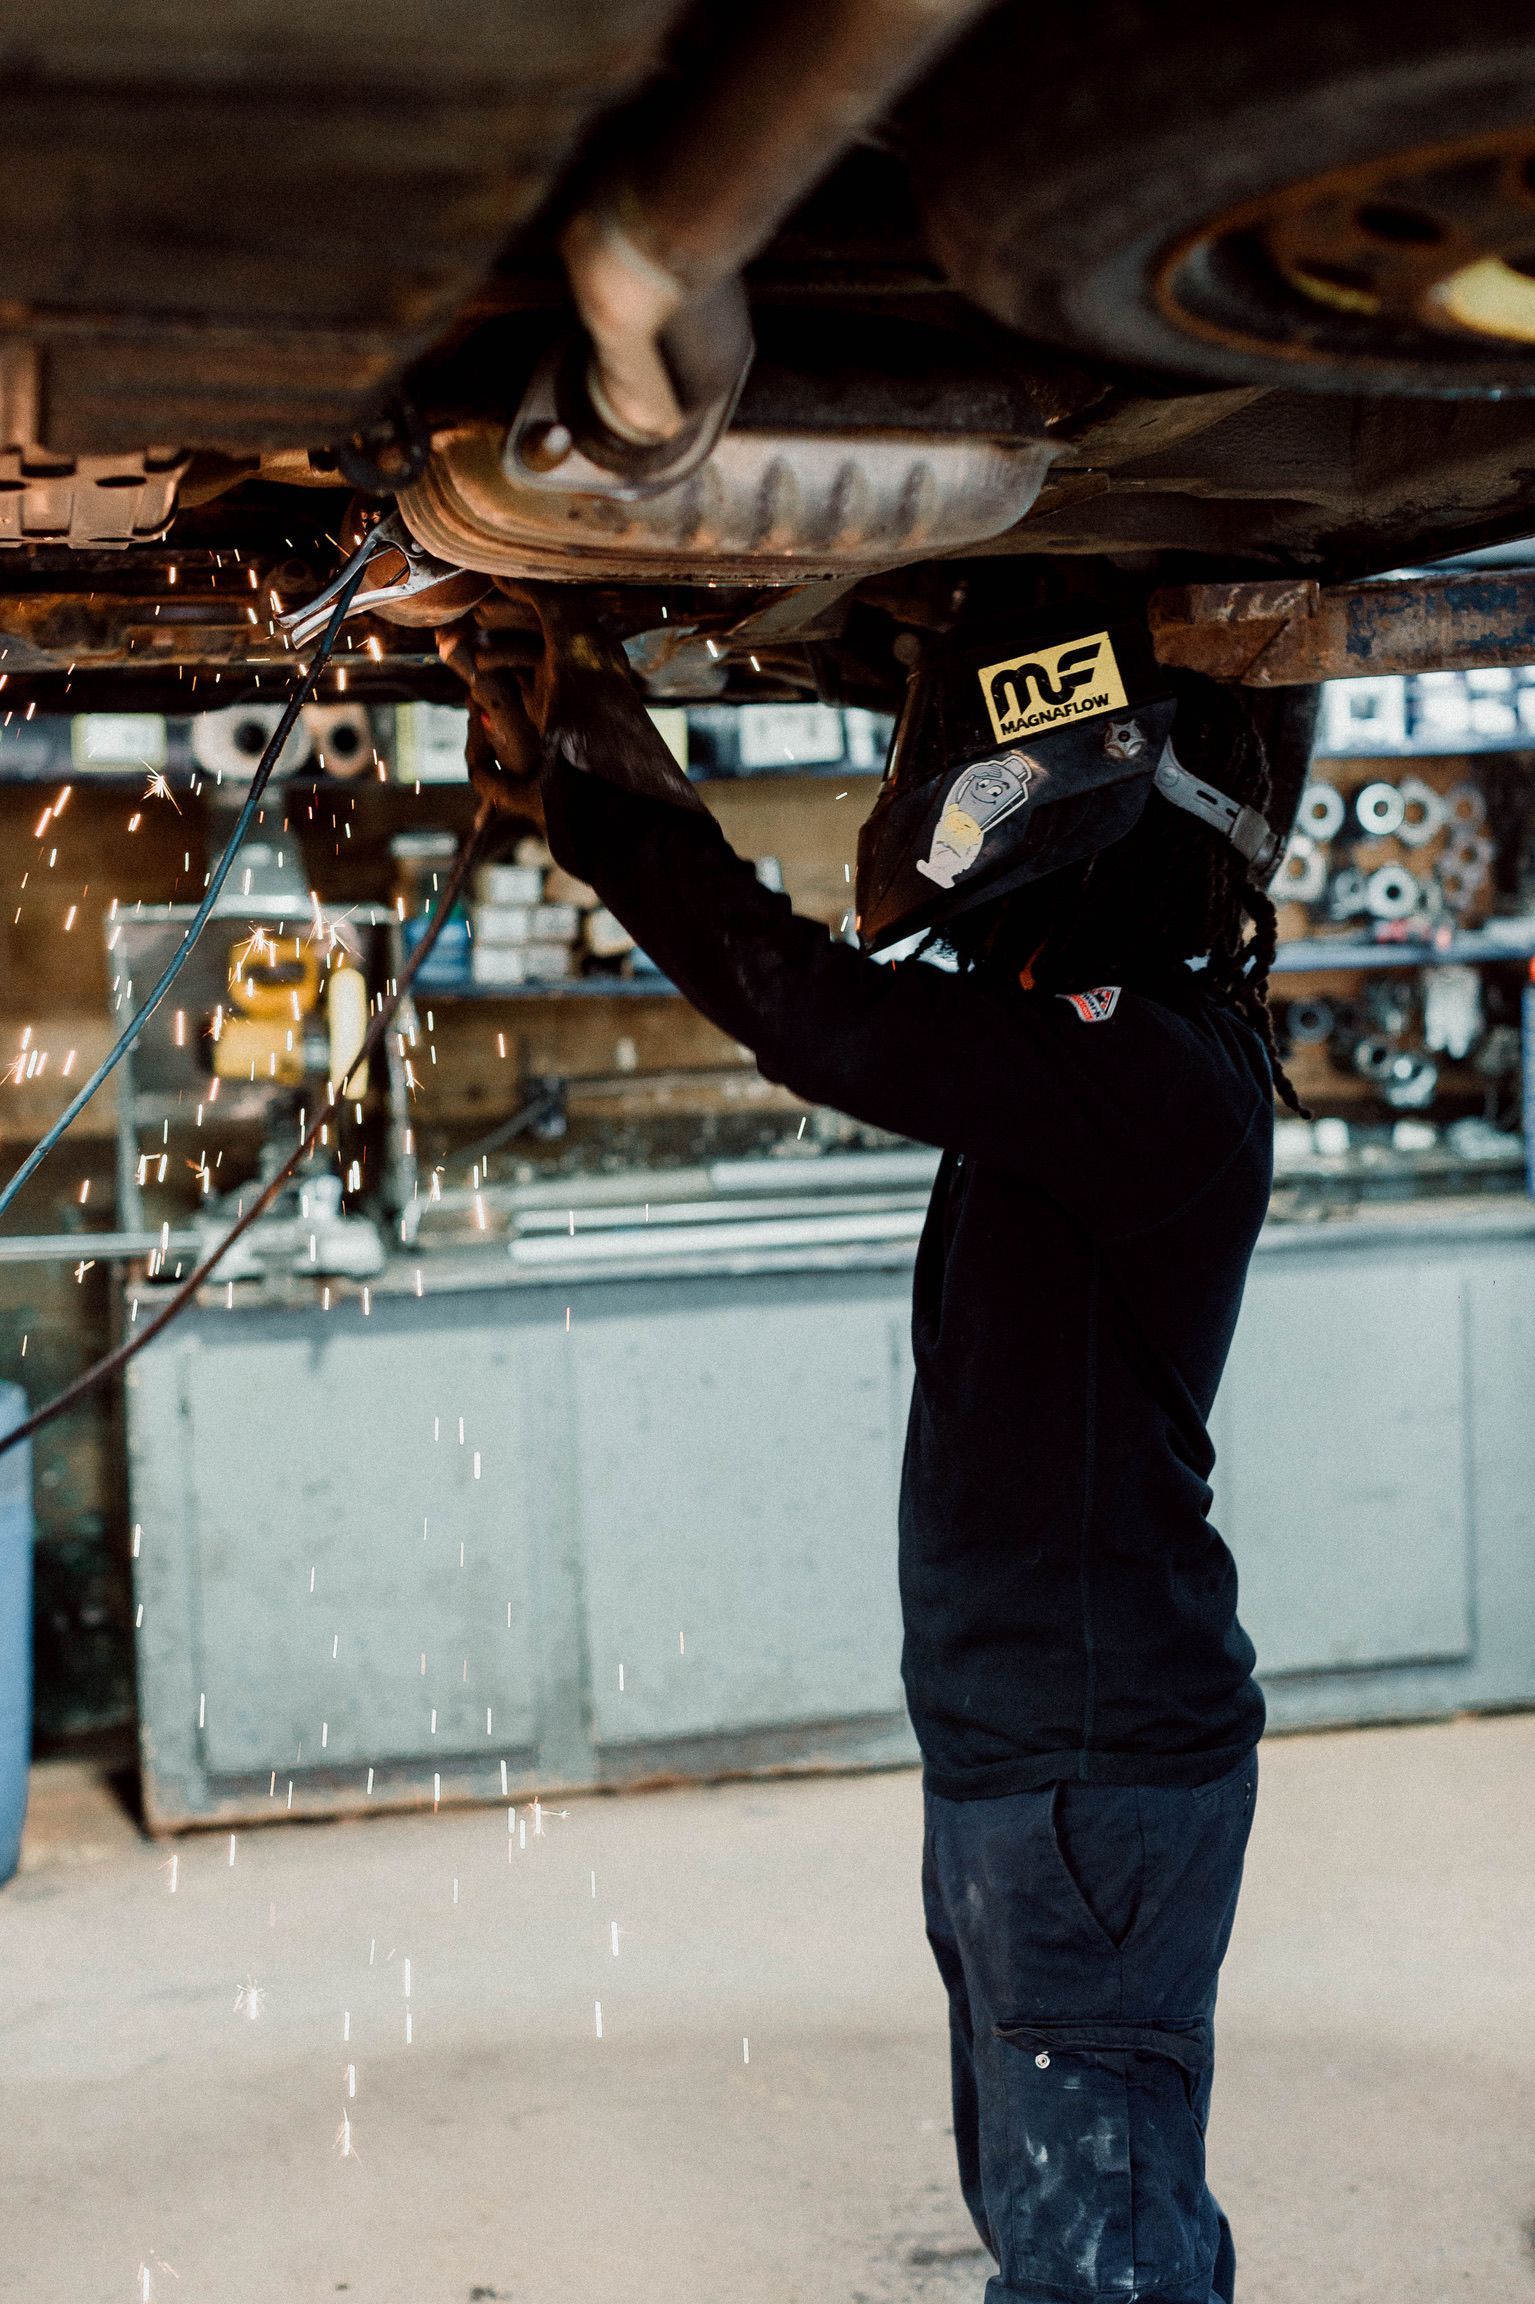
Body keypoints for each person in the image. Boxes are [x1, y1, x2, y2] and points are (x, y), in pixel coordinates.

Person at [442, 591, 1312, 2304]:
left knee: (1099, 2256)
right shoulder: (1107, 1051)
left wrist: (610, 802)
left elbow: (815, 1020)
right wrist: (593, 770)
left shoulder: (1145, 1071)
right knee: (1073, 2219)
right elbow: (853, 1016)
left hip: (1089, 1766)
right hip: (1042, 1751)